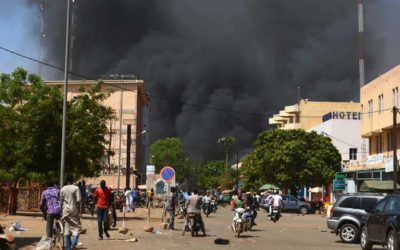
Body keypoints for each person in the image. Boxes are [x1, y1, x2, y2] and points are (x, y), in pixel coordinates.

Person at [60, 174, 82, 250]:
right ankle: (73, 244)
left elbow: (61, 201)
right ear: (73, 180)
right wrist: (77, 205)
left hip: (65, 211)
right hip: (74, 210)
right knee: (77, 227)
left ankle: (68, 247)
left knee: (66, 228)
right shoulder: (76, 188)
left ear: (66, 180)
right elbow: (79, 200)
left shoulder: (63, 189)